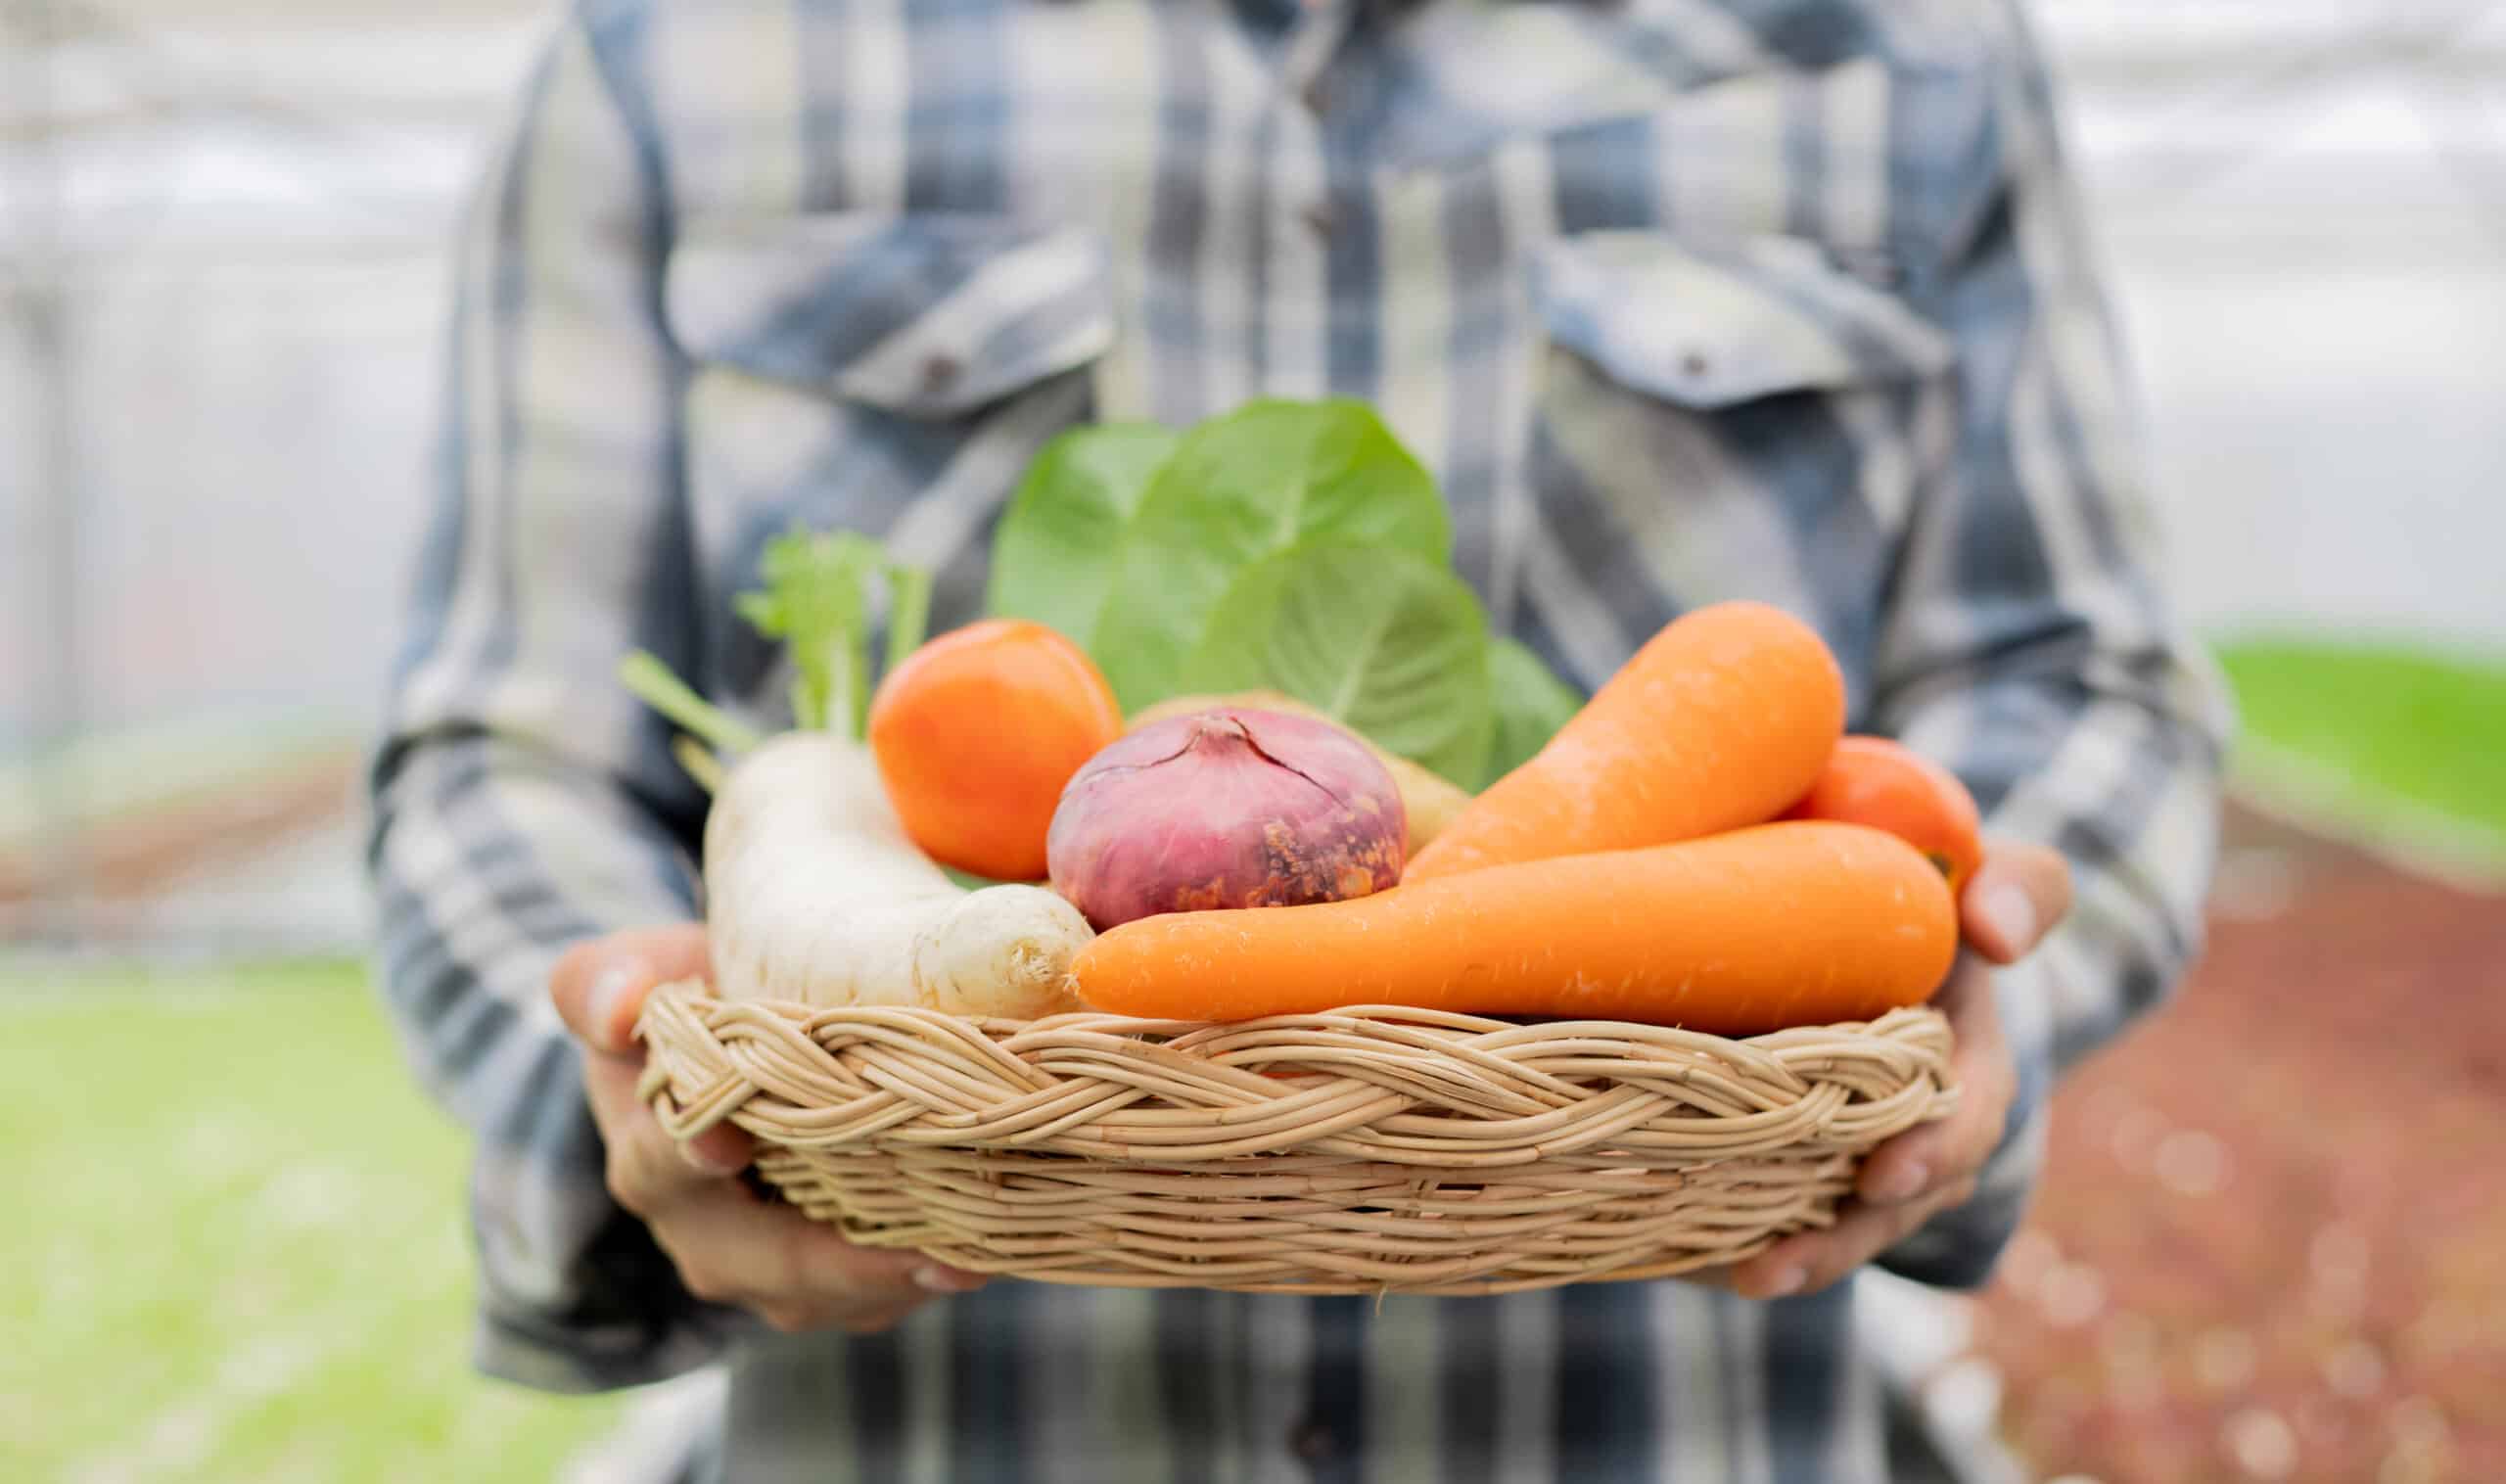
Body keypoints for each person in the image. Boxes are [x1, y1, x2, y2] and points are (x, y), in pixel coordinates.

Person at [367, 0, 2229, 1477]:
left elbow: (2087, 690)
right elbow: (493, 758)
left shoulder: (1903, 48)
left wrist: (1988, 966)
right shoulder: (680, 51)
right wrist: (623, 1068)